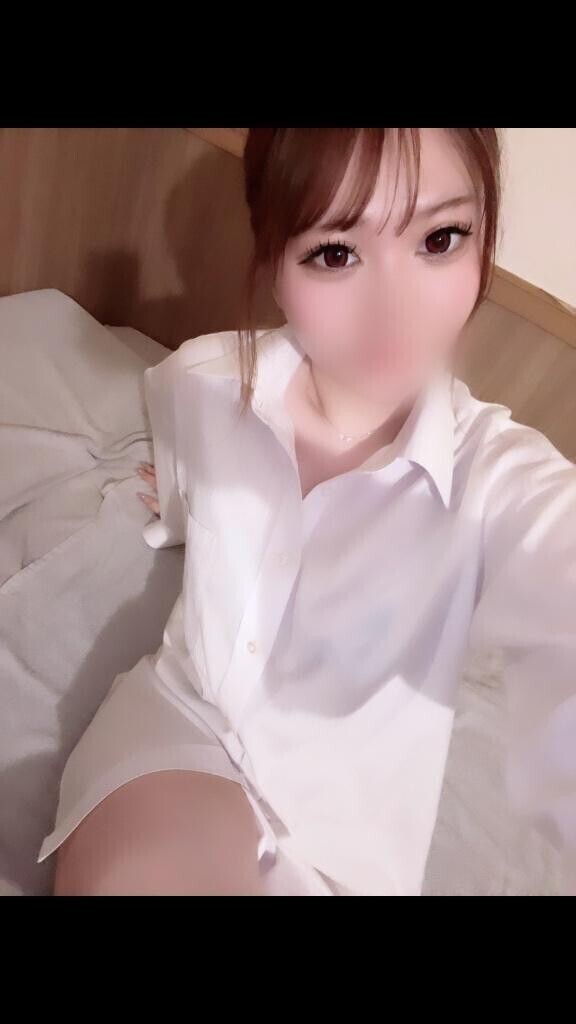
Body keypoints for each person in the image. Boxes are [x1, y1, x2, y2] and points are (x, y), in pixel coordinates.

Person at [38, 128, 576, 896]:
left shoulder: (495, 480)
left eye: (439, 239)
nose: (395, 311)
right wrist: (179, 511)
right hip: (185, 734)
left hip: (349, 854)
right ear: (274, 266)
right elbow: (177, 427)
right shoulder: (202, 380)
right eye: (335, 252)